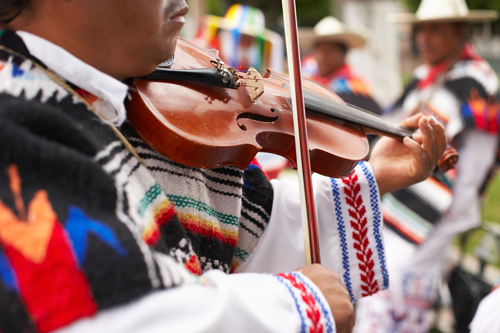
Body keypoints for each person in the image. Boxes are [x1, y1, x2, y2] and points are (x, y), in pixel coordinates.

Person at [0, 1, 445, 332]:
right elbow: (106, 312)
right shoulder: (15, 120)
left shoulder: (105, 100)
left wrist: (371, 174)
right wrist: (294, 304)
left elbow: (231, 226)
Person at [354, 0, 500, 332]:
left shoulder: (477, 82)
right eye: (421, 29)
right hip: (399, 201)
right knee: (381, 285)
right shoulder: (424, 77)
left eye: (436, 29)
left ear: (460, 32)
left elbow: (474, 165)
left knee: (397, 286)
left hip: (438, 211)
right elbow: (388, 127)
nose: (424, 37)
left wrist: (452, 214)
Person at [299, 16, 382, 115]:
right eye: (319, 51)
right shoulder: (308, 82)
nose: (322, 57)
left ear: (343, 54)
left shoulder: (355, 88)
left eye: (329, 51)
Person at [192, 3, 284, 72]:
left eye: (251, 37)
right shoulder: (208, 49)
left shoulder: (253, 62)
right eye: (243, 36)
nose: (247, 41)